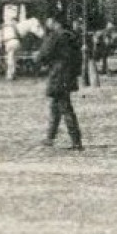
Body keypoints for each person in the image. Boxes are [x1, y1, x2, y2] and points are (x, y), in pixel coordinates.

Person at [37, 16, 85, 150]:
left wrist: (39, 60)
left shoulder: (55, 36)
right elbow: (78, 58)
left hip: (58, 75)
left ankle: (76, 141)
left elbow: (44, 54)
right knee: (56, 107)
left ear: (54, 22)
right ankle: (50, 137)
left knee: (65, 107)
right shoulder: (72, 36)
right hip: (69, 76)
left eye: (49, 20)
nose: (47, 23)